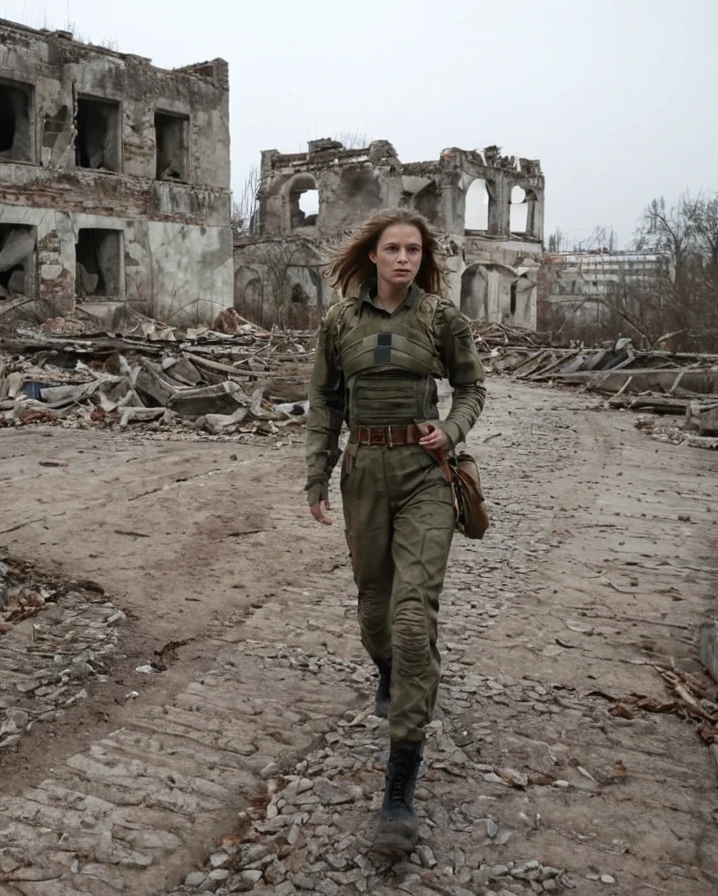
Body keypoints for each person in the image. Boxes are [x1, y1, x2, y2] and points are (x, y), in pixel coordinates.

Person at [304, 208, 486, 852]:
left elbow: (471, 388)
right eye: (393, 249)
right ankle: (387, 671)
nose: (404, 259)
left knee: (413, 622)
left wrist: (454, 430)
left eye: (414, 249)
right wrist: (316, 476)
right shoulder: (340, 322)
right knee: (374, 615)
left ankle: (399, 792)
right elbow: (323, 402)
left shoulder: (441, 319)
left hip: (424, 475)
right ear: (374, 256)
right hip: (363, 474)